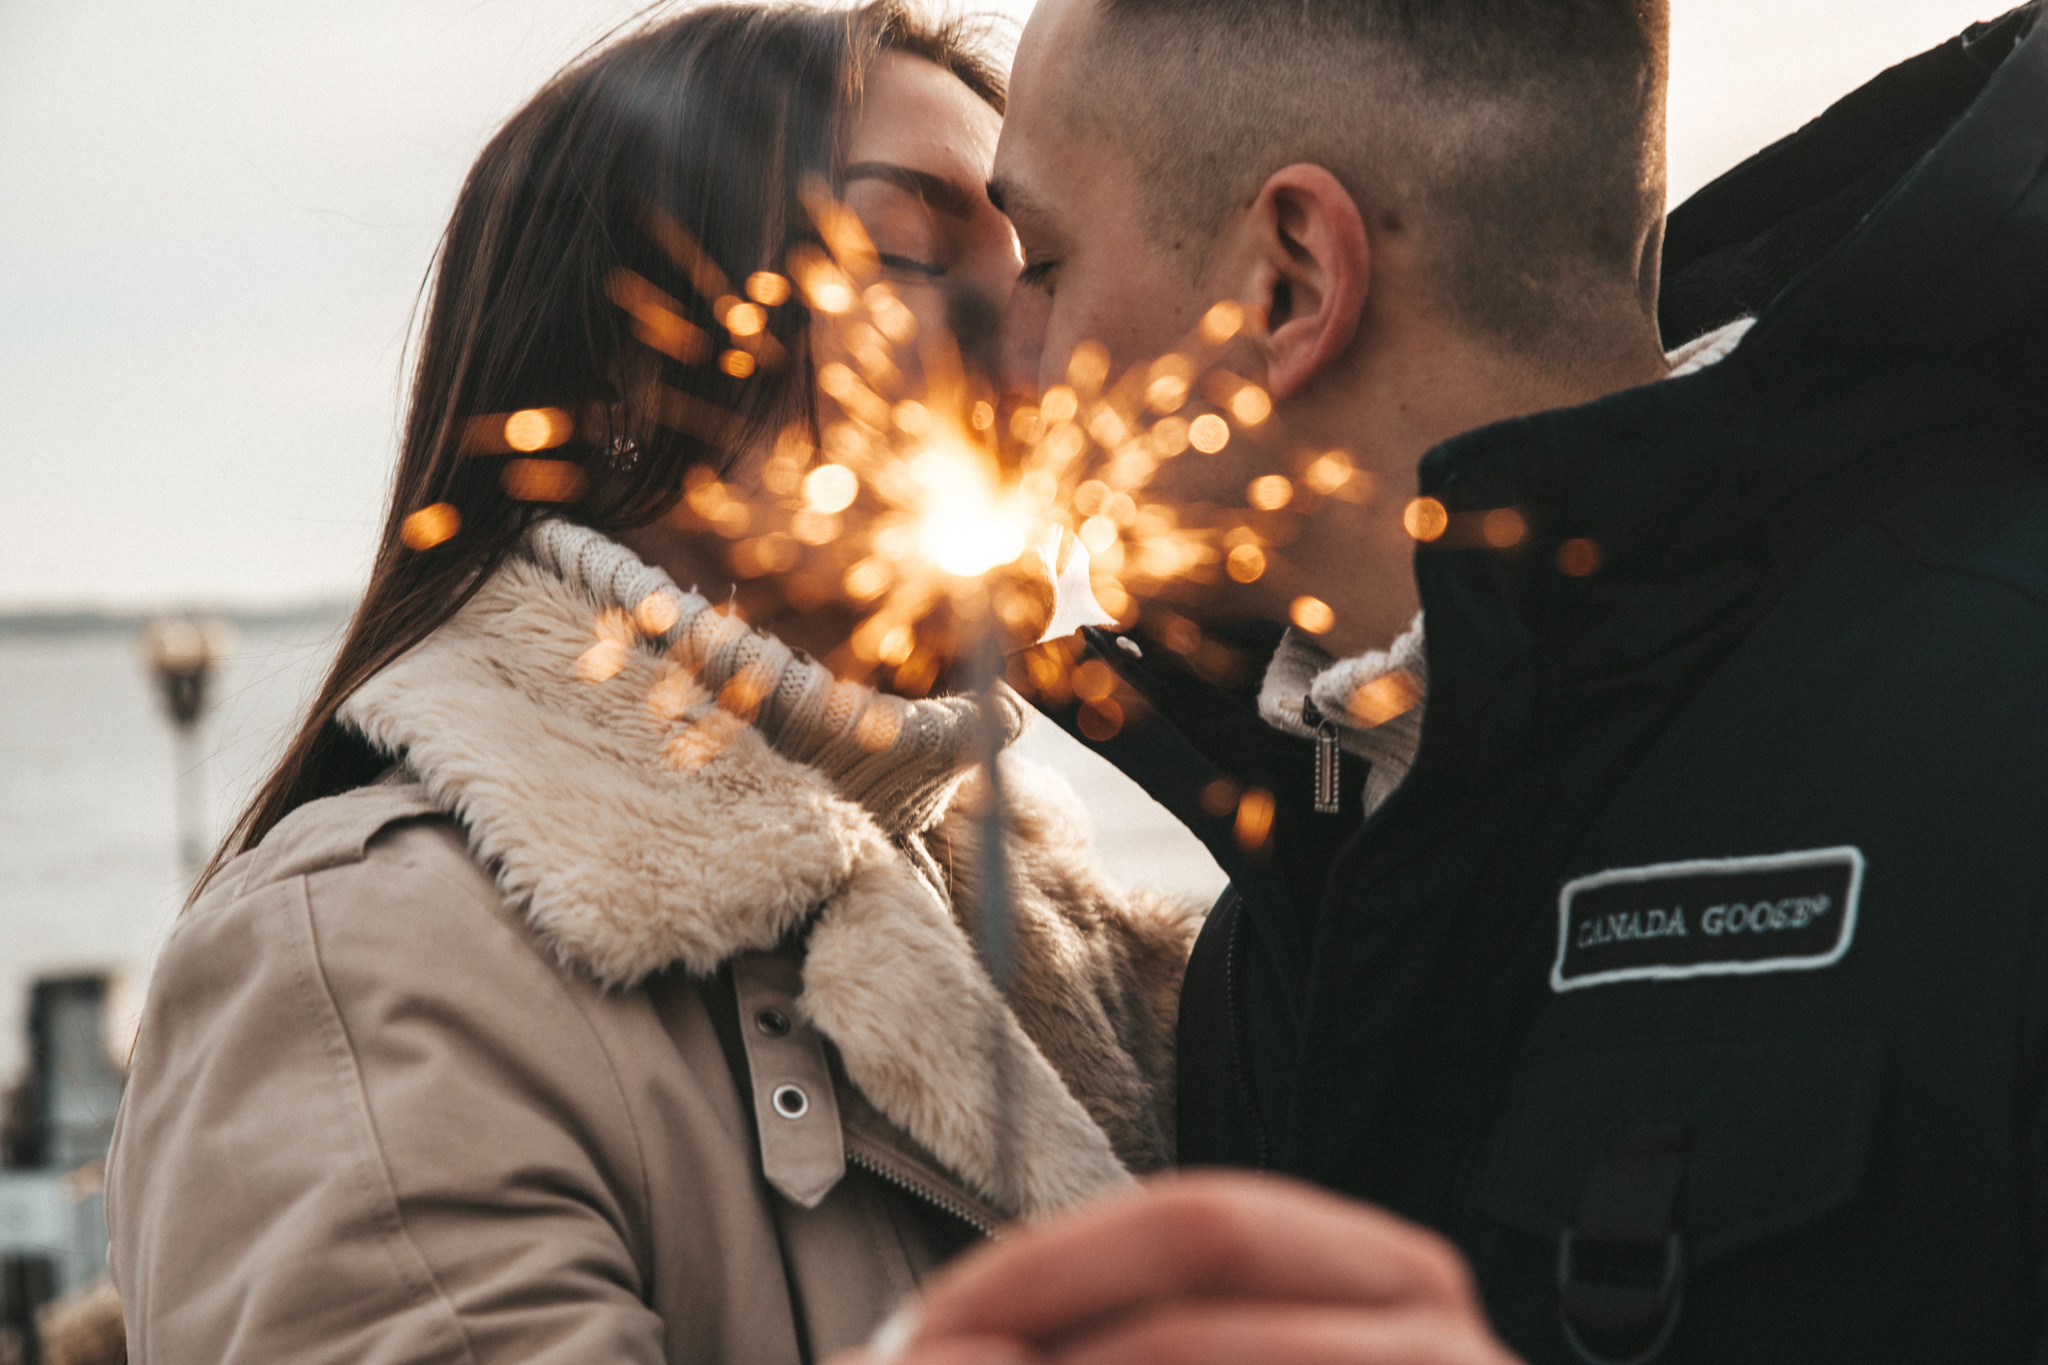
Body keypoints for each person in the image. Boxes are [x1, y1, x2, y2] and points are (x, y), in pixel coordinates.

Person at [844, 0, 2048, 1362]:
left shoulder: (2011, 734)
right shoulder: (1289, 911)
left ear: (1286, 283)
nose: (1019, 367)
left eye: (1046, 263)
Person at [103, 5, 1201, 1361]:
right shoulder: (370, 963)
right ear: (628, 358)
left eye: (1041, 269)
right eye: (909, 255)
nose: (1032, 355)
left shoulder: (1075, 937)